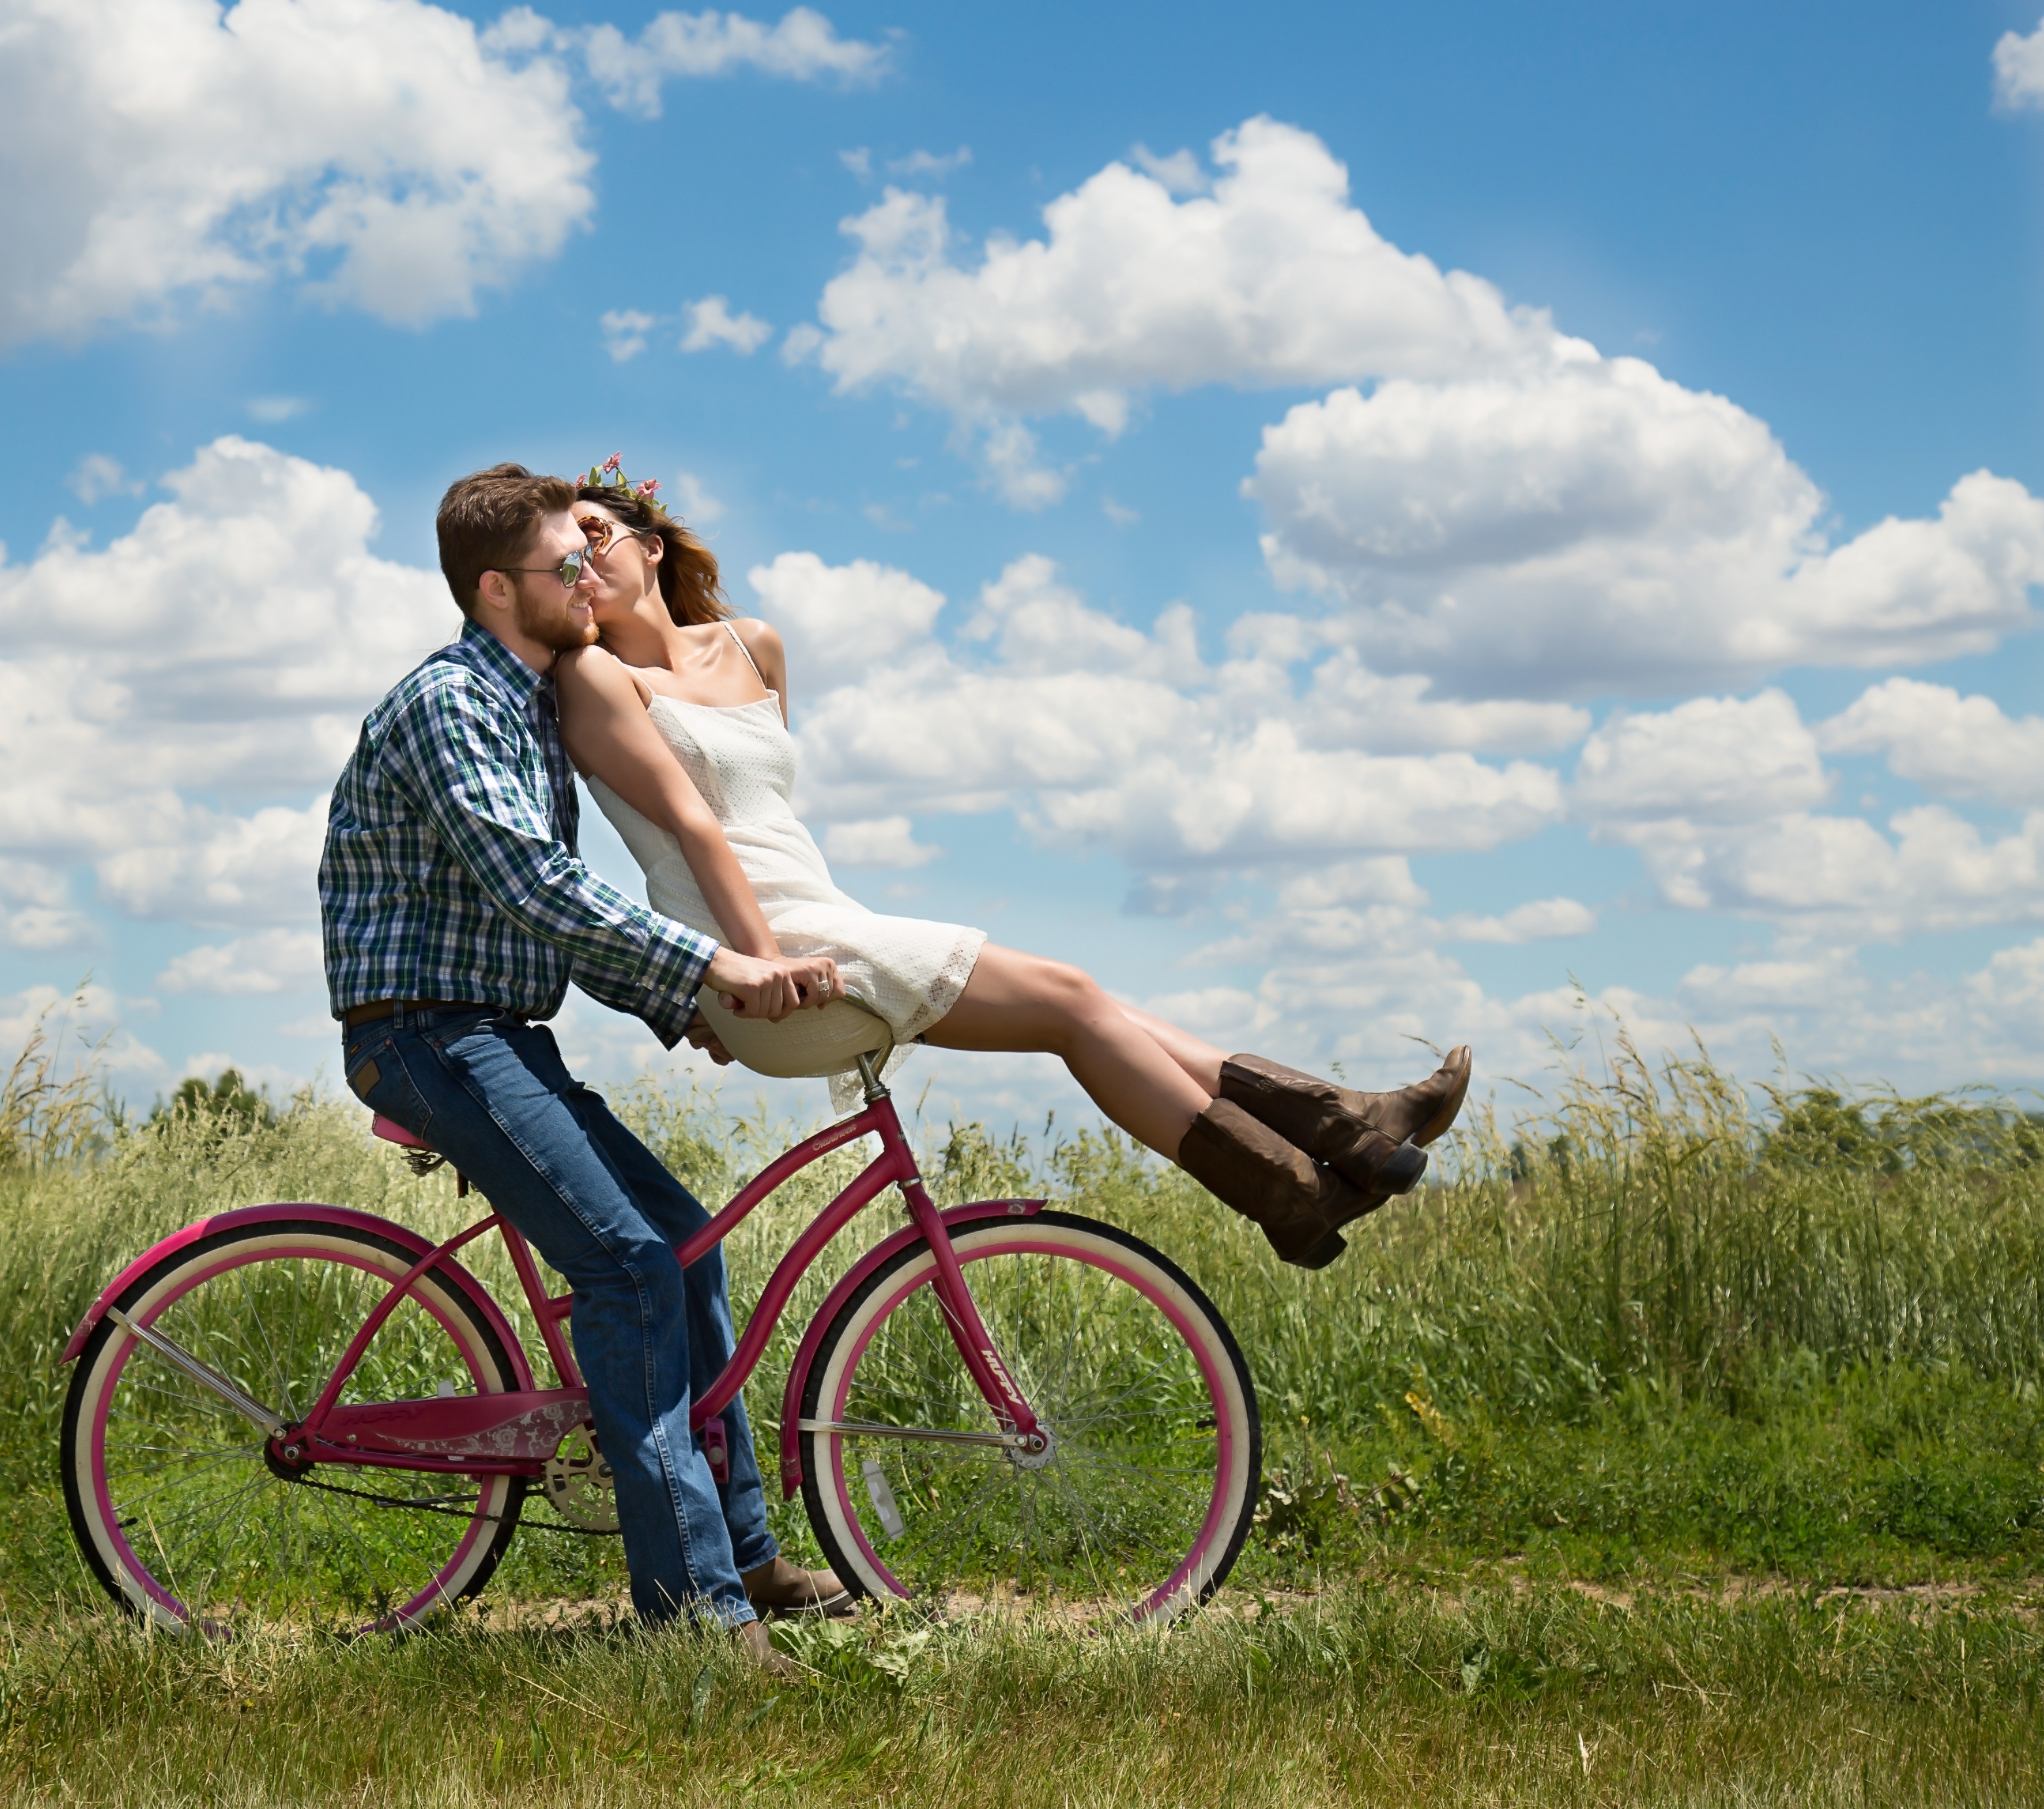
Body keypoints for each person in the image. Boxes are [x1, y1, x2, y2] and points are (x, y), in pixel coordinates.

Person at [553, 456, 1472, 1270]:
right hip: (764, 953)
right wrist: (737, 969)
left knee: (1089, 1005)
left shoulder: (754, 646)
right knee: (1073, 1003)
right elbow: (695, 833)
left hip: (815, 920)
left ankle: (1338, 1144)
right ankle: (1306, 1176)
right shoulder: (597, 680)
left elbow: (768, 822)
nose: (583, 562)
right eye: (562, 557)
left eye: (595, 535)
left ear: (652, 544)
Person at [319, 463, 856, 1668]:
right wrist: (717, 968)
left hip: (499, 1031)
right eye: (571, 563)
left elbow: (543, 923)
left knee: (686, 1246)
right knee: (628, 1269)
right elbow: (536, 887)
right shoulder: (454, 704)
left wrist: (685, 1004)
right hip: (426, 1034)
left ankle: (748, 1557)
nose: (591, 580)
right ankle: (694, 1616)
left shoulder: (528, 707)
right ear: (501, 587)